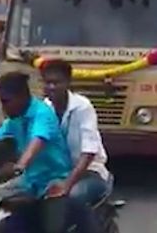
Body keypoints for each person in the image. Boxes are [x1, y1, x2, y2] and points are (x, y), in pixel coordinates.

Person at [0, 71, 73, 233]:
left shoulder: (42, 114)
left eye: (6, 102)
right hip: (28, 182)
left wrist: (19, 166)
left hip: (53, 181)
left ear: (21, 97)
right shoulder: (14, 119)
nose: (2, 108)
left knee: (52, 228)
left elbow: (37, 141)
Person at [40, 59, 112, 233]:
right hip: (58, 172)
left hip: (90, 173)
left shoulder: (82, 107)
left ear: (68, 83)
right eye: (47, 82)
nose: (51, 87)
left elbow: (88, 152)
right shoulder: (44, 108)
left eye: (56, 82)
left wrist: (67, 184)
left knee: (74, 197)